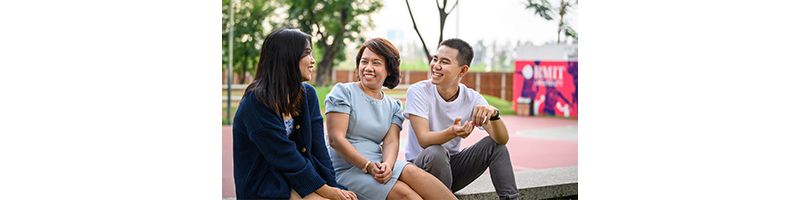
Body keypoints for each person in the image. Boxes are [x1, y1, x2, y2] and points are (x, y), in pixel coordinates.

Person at [232, 28, 357, 200]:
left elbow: (318, 149)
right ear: (287, 57)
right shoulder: (256, 102)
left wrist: (333, 186)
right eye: (307, 53)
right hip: (266, 183)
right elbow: (284, 156)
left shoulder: (308, 95)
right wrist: (328, 191)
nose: (313, 60)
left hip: (298, 177)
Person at [325, 38, 456, 200]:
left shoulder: (393, 106)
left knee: (412, 171)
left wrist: (387, 164)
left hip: (378, 164)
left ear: (389, 69)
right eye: (364, 62)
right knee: (406, 195)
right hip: (347, 169)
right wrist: (367, 166)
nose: (368, 68)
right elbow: (335, 139)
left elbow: (391, 142)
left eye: (376, 63)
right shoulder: (343, 92)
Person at [404, 38, 520, 200]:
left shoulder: (472, 98)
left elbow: (502, 139)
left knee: (495, 146)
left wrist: (494, 114)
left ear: (463, 70)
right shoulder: (418, 91)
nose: (436, 65)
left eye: (444, 62)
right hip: (419, 170)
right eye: (435, 59)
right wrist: (452, 132)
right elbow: (424, 140)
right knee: (436, 152)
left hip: (451, 169)